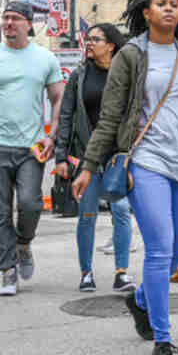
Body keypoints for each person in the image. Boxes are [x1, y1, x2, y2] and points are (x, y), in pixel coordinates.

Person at [72, 0, 178, 355]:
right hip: (146, 161)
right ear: (146, 13)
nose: (168, 9)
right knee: (161, 248)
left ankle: (141, 300)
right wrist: (89, 165)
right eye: (160, 3)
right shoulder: (131, 55)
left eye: (174, 5)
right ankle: (162, 338)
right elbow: (111, 116)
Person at [0, 1, 63, 297]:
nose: (8, 23)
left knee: (32, 203)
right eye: (5, 18)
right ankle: (7, 270)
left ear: (29, 24)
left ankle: (23, 244)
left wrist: (52, 134)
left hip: (31, 145)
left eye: (15, 18)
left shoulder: (45, 58)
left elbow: (58, 97)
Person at [52, 21, 135, 294]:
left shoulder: (125, 73)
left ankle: (121, 272)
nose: (89, 43)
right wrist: (61, 156)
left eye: (95, 39)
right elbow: (66, 116)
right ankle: (86, 272)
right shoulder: (79, 76)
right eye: (87, 39)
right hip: (87, 156)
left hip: (118, 157)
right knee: (87, 214)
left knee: (121, 211)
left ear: (111, 44)